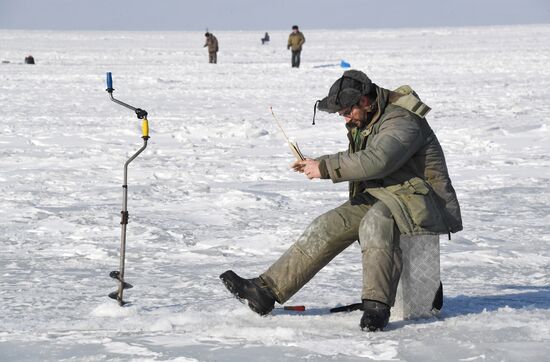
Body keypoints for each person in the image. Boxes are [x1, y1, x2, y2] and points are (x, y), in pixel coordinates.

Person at [220, 70, 463, 331]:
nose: (344, 117)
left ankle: (376, 307)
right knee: (328, 224)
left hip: (422, 203)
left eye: (347, 111)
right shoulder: (370, 118)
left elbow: (377, 161)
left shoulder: (402, 120)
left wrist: (325, 169)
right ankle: (265, 291)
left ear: (365, 101)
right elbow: (359, 157)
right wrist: (318, 163)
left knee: (376, 223)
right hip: (391, 195)